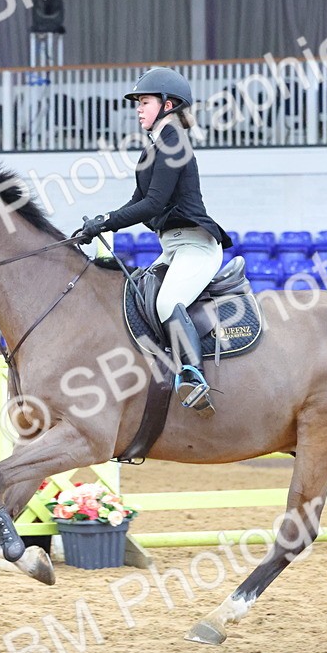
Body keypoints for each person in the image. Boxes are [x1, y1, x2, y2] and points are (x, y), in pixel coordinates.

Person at [78, 67, 231, 415]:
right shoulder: (154, 148)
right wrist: (100, 223)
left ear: (168, 104)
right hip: (172, 248)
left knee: (167, 302)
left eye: (145, 101)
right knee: (135, 299)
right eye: (139, 103)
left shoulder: (174, 141)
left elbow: (153, 204)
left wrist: (108, 223)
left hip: (196, 247)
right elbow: (136, 202)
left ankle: (193, 376)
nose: (138, 108)